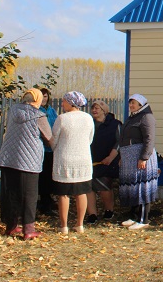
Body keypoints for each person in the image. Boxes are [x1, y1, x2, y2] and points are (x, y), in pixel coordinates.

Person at [0, 88, 53, 240]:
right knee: (29, 194)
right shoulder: (39, 115)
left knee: (10, 193)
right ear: (38, 100)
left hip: (9, 157)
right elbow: (49, 137)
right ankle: (28, 229)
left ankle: (11, 226)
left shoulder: (14, 110)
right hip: (29, 160)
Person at [51, 91, 95, 235]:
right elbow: (90, 138)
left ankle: (64, 226)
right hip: (83, 159)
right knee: (81, 193)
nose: (62, 104)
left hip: (64, 159)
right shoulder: (88, 118)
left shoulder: (62, 119)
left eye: (64, 101)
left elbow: (54, 139)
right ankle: (79, 224)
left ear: (71, 103)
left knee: (64, 194)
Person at [119, 94, 159, 230]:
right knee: (133, 187)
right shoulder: (132, 118)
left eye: (134, 103)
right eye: (130, 103)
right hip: (130, 159)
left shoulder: (146, 117)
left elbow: (149, 138)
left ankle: (143, 219)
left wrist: (144, 157)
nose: (131, 105)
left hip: (141, 157)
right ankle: (134, 216)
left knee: (142, 187)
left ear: (141, 105)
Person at [85, 100, 122, 224]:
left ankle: (109, 210)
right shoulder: (89, 123)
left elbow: (119, 141)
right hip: (90, 160)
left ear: (104, 111)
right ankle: (92, 214)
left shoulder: (115, 124)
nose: (94, 110)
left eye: (97, 108)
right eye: (93, 108)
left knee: (104, 187)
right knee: (88, 188)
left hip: (107, 161)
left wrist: (111, 157)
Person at [37, 87, 58, 215]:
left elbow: (56, 126)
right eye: (42, 96)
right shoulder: (36, 111)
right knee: (42, 176)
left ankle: (48, 199)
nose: (44, 99)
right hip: (41, 148)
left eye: (46, 96)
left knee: (50, 176)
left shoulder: (51, 111)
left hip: (52, 147)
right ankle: (43, 202)